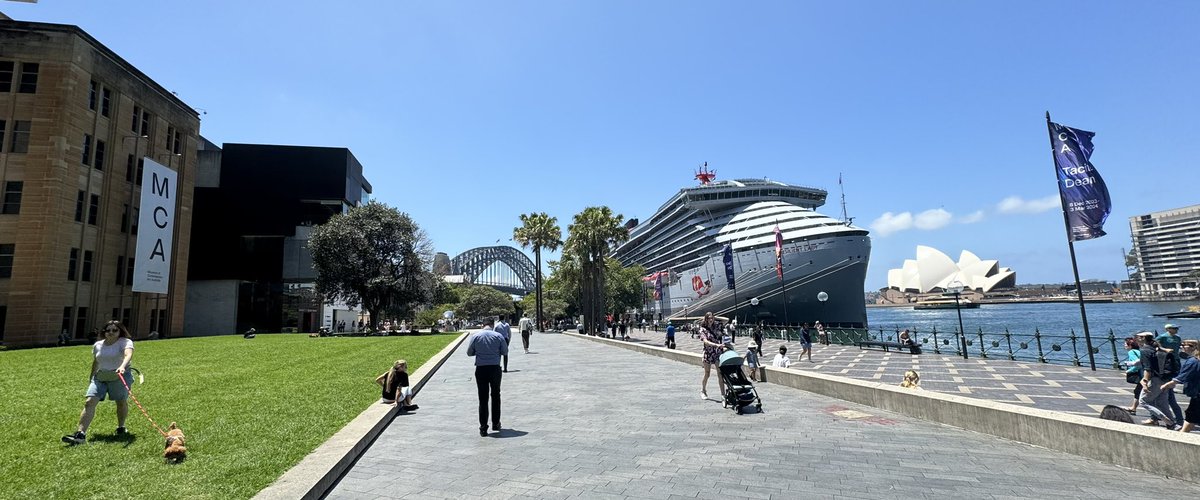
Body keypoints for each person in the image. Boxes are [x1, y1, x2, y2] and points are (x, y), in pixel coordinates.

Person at [62, 320, 135, 445]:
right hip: (100, 376)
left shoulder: (125, 342)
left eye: (114, 330)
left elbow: (128, 355)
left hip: (119, 376)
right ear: (104, 332)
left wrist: (122, 366)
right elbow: (96, 361)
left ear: (120, 331)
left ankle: (121, 427)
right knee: (89, 402)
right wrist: (91, 376)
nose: (111, 332)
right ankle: (80, 434)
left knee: (121, 402)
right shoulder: (98, 345)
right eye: (108, 330)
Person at [467, 318, 508, 436]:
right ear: (492, 325)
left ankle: (483, 427)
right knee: (496, 395)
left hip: (481, 368)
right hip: (495, 368)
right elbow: (505, 351)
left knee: (483, 398)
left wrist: (479, 352)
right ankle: (496, 423)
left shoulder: (475, 336)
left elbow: (469, 353)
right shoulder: (498, 336)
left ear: (482, 325)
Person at [1135, 332, 1175, 429]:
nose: (1135, 339)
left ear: (1143, 338)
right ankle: (1172, 424)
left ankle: (1167, 420)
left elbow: (1148, 368)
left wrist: (1145, 383)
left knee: (1143, 401)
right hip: (1165, 378)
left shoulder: (1144, 350)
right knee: (1162, 403)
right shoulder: (1155, 348)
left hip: (1154, 379)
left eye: (1137, 337)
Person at [1159, 339, 1199, 433]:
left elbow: (1182, 377)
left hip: (1197, 394)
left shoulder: (1193, 361)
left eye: (1184, 345)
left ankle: (1181, 436)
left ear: (1194, 347)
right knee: (1191, 416)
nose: (1181, 347)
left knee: (1191, 416)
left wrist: (1166, 385)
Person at [1157, 324, 1185, 427]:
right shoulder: (1163, 336)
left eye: (1177, 328)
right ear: (1168, 329)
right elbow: (1156, 344)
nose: (1176, 330)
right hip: (1167, 361)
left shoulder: (1178, 338)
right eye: (1174, 328)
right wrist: (1164, 349)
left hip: (1176, 361)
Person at [698, 313, 726, 400]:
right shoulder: (703, 329)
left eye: (712, 318)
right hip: (708, 353)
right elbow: (705, 341)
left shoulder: (716, 326)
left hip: (717, 353)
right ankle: (703, 390)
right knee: (707, 373)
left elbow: (726, 320)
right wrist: (716, 345)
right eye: (709, 318)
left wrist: (716, 317)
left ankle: (723, 394)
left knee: (720, 374)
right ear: (706, 319)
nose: (711, 319)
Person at [1123, 337, 1143, 414]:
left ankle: (1156, 416)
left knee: (1141, 392)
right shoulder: (1138, 351)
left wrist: (1128, 371)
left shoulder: (1131, 352)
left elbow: (1137, 364)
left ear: (1130, 345)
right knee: (1138, 391)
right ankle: (1133, 408)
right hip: (1144, 373)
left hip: (1141, 375)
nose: (1124, 345)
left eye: (1125, 344)